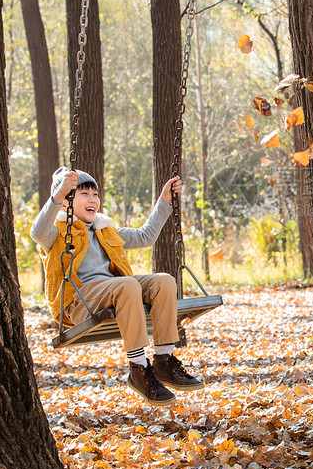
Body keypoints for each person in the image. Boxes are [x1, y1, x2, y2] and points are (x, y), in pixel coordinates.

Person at [31, 167, 204, 407]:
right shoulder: (56, 232)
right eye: (83, 194)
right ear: (64, 203)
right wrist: (59, 194)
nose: (93, 199)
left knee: (164, 281)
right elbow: (37, 231)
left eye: (95, 194)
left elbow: (145, 236)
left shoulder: (104, 230)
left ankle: (164, 359)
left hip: (115, 289)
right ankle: (138, 368)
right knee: (126, 284)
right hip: (79, 302)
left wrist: (164, 201)